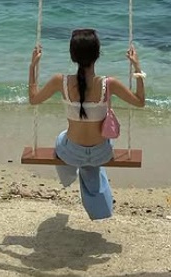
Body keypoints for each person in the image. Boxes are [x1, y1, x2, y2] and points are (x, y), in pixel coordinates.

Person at [27, 28, 146, 220]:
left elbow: (33, 99)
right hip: (101, 153)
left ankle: (68, 177)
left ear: (72, 56)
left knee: (61, 137)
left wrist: (32, 67)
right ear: (97, 55)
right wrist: (137, 68)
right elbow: (140, 102)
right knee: (96, 153)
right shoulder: (109, 83)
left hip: (72, 153)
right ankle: (91, 181)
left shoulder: (60, 82)